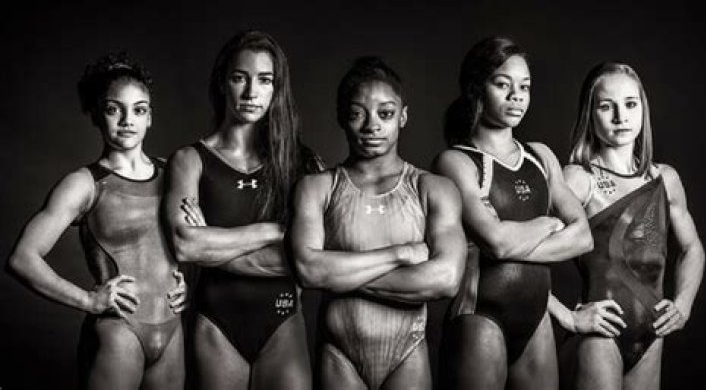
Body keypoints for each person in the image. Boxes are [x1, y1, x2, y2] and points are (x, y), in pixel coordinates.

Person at [7, 53, 187, 390]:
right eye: (113, 109)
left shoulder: (174, 173)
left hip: (173, 331)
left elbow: (193, 242)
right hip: (119, 334)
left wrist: (186, 281)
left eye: (139, 110)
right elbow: (22, 258)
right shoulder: (83, 183)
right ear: (95, 115)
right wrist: (88, 300)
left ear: (150, 117)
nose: (127, 120)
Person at [289, 56, 466, 390]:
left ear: (403, 117)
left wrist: (339, 275)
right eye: (358, 114)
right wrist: (400, 254)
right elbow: (309, 270)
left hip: (407, 354)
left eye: (385, 114)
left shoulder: (433, 188)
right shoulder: (316, 188)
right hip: (339, 354)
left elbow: (445, 279)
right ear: (342, 117)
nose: (372, 126)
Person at [433, 36, 594, 390]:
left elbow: (583, 237)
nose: (516, 96)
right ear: (476, 88)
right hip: (480, 315)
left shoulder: (541, 156)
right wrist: (549, 223)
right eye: (503, 84)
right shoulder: (456, 162)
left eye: (524, 86)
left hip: (536, 319)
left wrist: (513, 238)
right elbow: (496, 242)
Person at [164, 30, 321, 390]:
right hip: (216, 322)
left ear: (276, 89)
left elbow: (308, 261)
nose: (251, 92)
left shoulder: (301, 163)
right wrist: (275, 231)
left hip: (283, 321)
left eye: (264, 80)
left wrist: (212, 243)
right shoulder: (190, 160)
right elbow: (186, 246)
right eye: (240, 78)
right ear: (223, 83)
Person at [547, 62, 705, 390]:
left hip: (652, 337)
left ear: (642, 109)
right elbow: (520, 253)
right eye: (607, 106)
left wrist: (684, 304)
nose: (621, 117)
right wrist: (566, 316)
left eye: (630, 104)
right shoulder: (580, 179)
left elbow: (692, 248)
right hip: (600, 338)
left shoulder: (665, 179)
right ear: (590, 114)